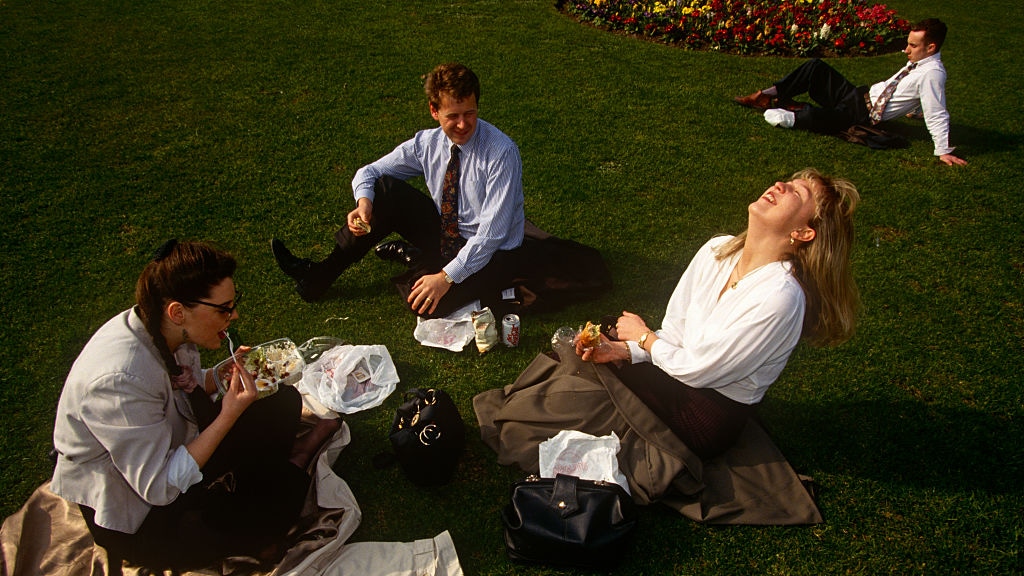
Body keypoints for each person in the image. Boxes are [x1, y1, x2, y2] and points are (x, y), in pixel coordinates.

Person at [50, 240, 341, 569]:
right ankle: (293, 463)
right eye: (223, 309)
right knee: (267, 514)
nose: (234, 316)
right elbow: (158, 488)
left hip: (174, 446)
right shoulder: (118, 382)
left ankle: (274, 472)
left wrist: (218, 376)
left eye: (234, 304)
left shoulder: (161, 326)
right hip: (144, 516)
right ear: (178, 311)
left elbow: (176, 382)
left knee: (283, 400)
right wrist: (229, 412)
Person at [575, 168, 860, 458]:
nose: (779, 185)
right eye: (786, 182)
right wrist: (625, 351)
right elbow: (675, 332)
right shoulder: (717, 249)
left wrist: (643, 339)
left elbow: (698, 372)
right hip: (679, 374)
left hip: (704, 411)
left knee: (601, 367)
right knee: (608, 336)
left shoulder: (780, 297)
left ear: (802, 232)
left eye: (797, 193)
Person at [272, 62, 529, 318]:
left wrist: (444, 278)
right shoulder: (427, 144)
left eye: (469, 113)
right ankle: (319, 276)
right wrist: (364, 203)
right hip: (447, 234)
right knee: (383, 190)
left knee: (425, 304)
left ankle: (415, 259)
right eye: (453, 116)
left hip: (494, 255)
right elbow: (370, 172)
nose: (463, 124)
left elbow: (491, 237)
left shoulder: (501, 153)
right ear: (434, 110)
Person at [734, 18, 967, 166]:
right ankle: (767, 95)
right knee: (815, 67)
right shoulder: (921, 63)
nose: (905, 50)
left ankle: (791, 115)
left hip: (864, 115)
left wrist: (942, 150)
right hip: (859, 97)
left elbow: (937, 111)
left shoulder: (933, 73)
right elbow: (910, 88)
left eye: (913, 46)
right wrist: (916, 111)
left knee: (823, 118)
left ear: (932, 47)